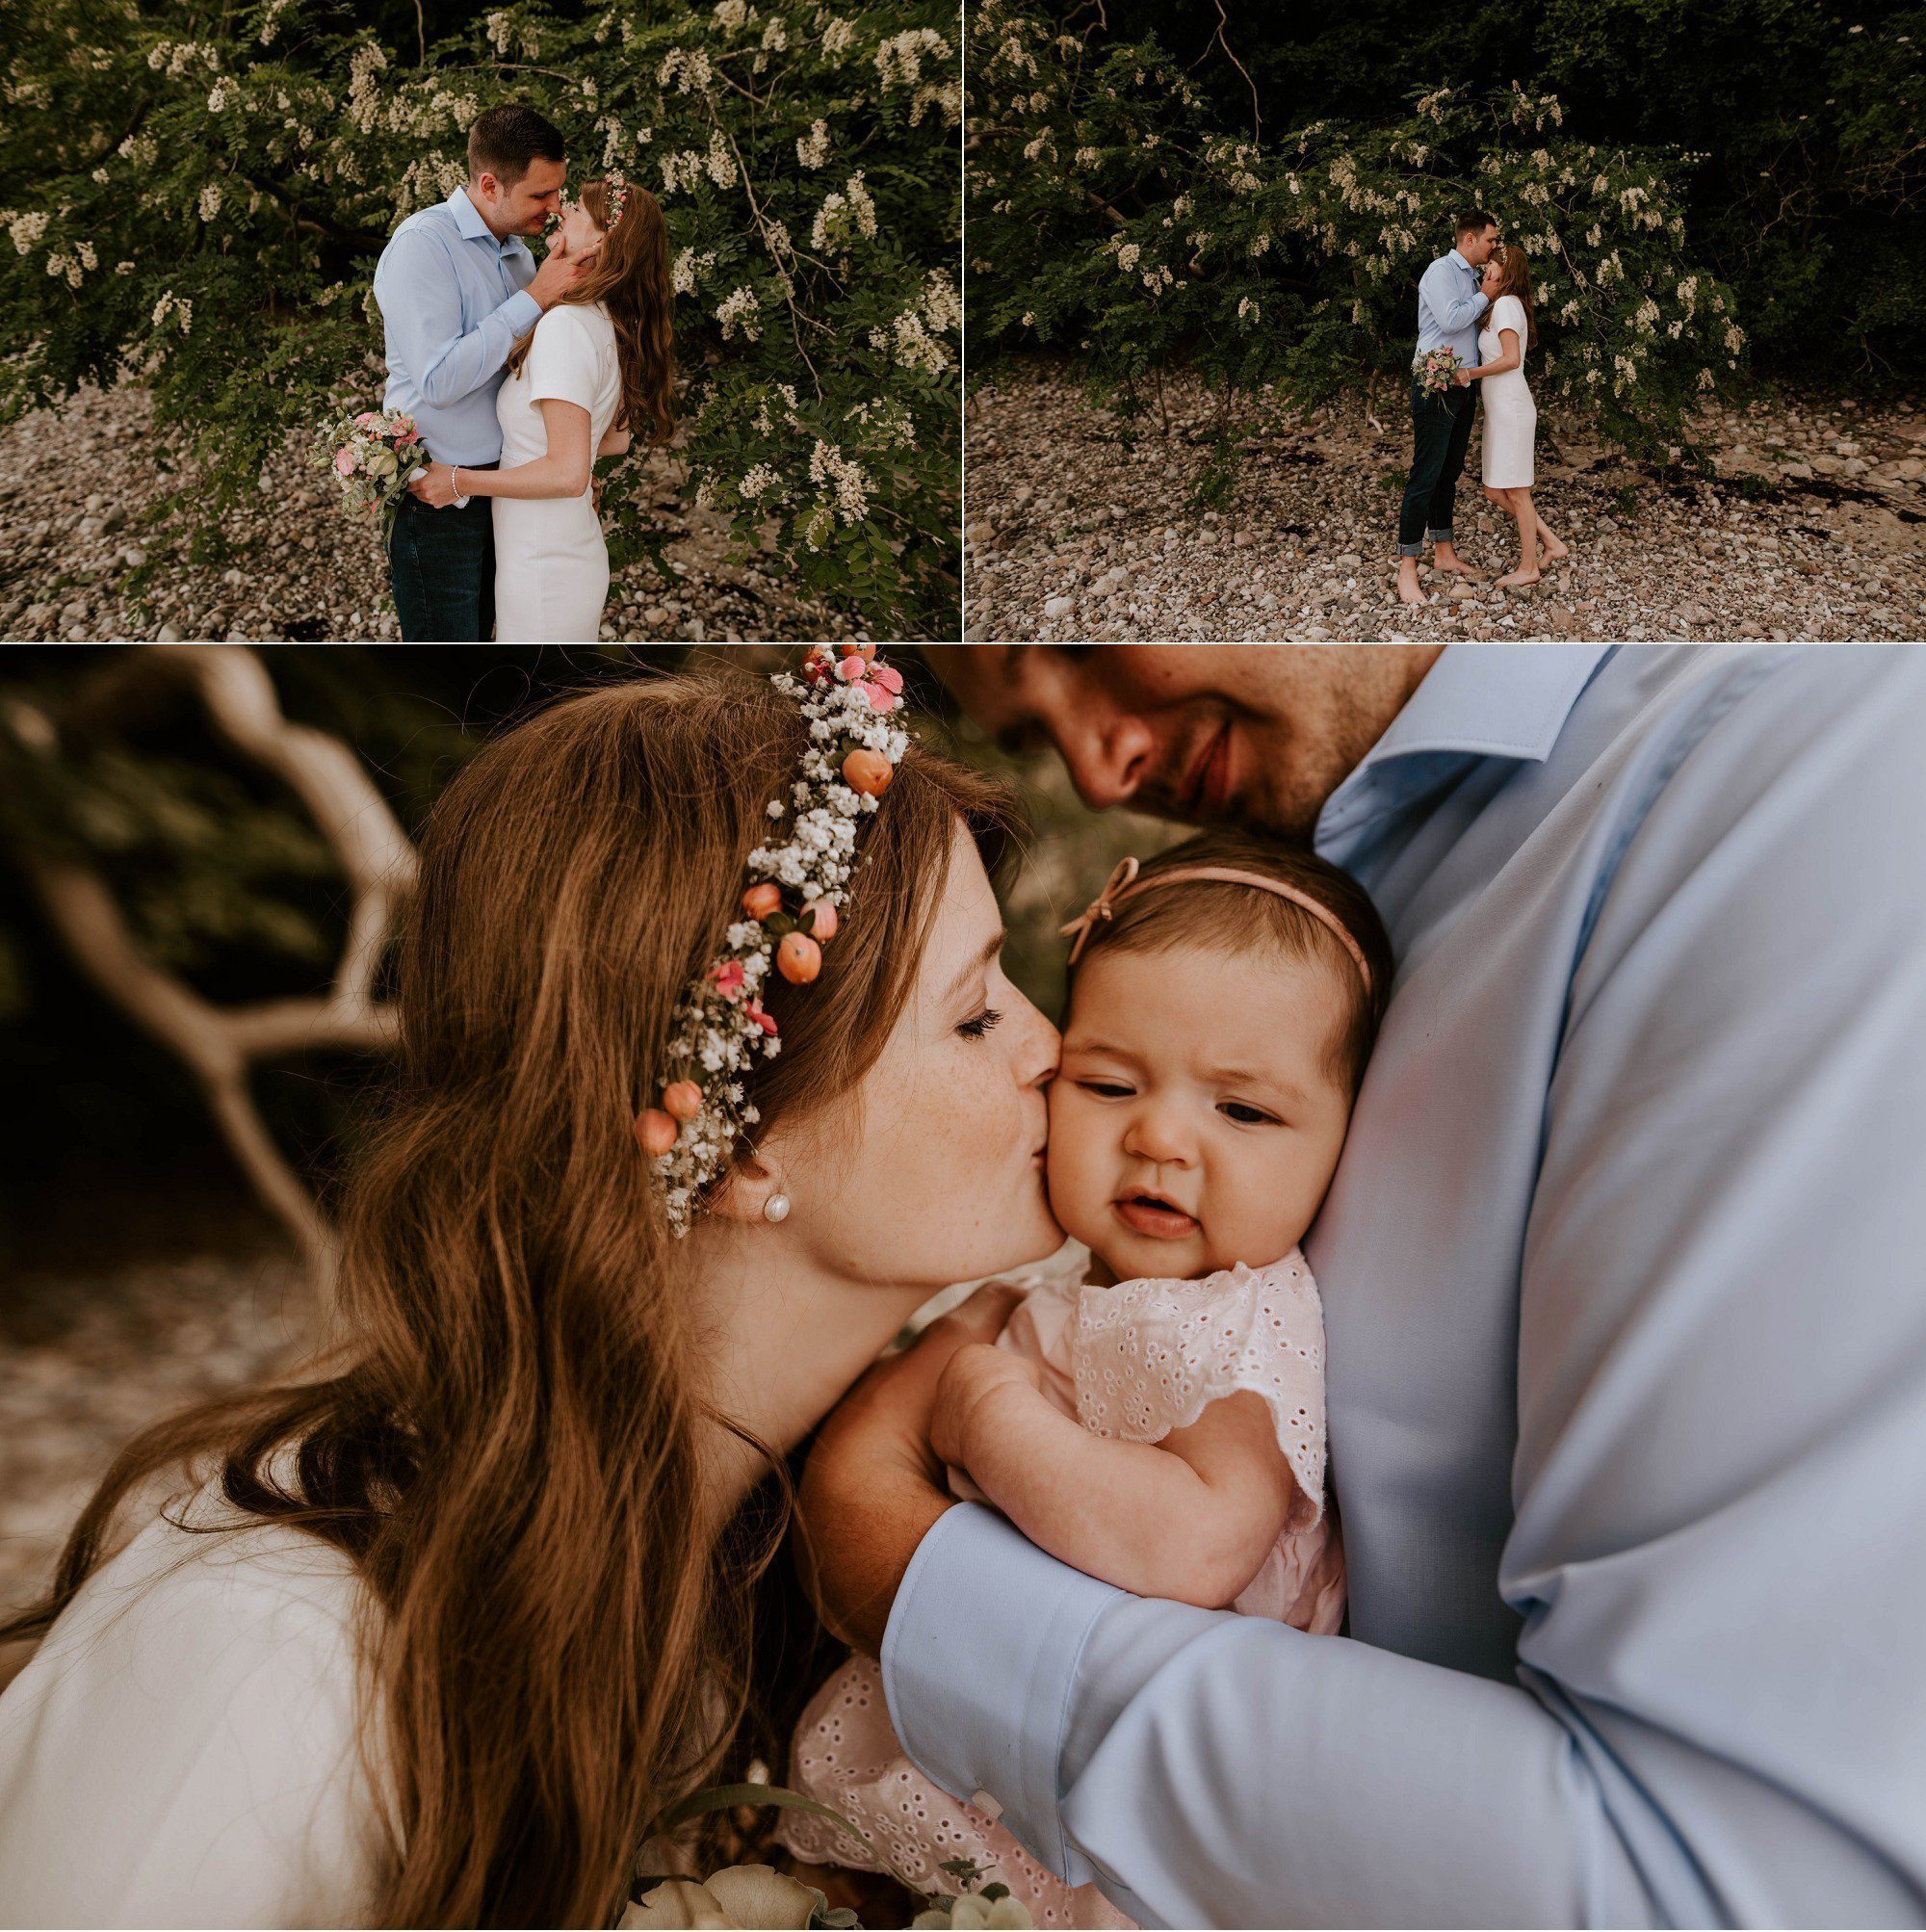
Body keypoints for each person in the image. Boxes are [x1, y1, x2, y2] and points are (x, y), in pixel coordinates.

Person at [799, 642, 1926, 1926]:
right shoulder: (1304, 888)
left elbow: (1741, 1883)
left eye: (1062, 651)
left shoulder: (1804, 778)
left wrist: (923, 1571)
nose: (1105, 767)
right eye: (1032, 729)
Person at [0, 651, 1062, 1925]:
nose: (1052, 1043)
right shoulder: (266, 1668)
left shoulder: (767, 1581)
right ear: (740, 1148)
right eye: (975, 1015)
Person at [781, 833, 1391, 1927]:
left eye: (1241, 1111)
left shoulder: (1242, 1321)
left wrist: (990, 1411)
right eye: (1107, 1083)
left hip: (1101, 1810)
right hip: (978, 1722)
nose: (1158, 1134)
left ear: (1342, 1142)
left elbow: (1194, 1545)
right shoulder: (1062, 1277)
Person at [409, 174, 675, 643]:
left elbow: (567, 474)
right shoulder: (604, 318)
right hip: (556, 546)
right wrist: (576, 457)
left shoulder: (566, 327)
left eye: (576, 210)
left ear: (600, 239)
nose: (562, 211)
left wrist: (457, 481)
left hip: (543, 565)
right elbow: (613, 439)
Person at [372, 105, 595, 643]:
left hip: (508, 487)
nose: (555, 207)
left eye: (558, 192)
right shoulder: (422, 246)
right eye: (541, 195)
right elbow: (440, 382)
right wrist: (536, 298)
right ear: (490, 184)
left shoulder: (520, 256)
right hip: (439, 494)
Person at [1395, 213, 1500, 609]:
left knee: (1450, 471)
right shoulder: (1440, 271)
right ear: (1470, 238)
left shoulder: (1476, 277)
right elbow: (1451, 318)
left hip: (1462, 384)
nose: (1494, 246)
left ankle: (1444, 551)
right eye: (1490, 240)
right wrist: (1486, 296)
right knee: (1425, 472)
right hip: (1434, 384)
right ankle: (1407, 566)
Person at [1462, 248, 1568, 588]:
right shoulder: (1503, 304)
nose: (1485, 268)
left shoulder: (1507, 305)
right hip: (1500, 409)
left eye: (1491, 264)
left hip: (1511, 407)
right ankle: (1551, 542)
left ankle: (1528, 567)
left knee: (1518, 492)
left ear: (1504, 271)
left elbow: (1511, 359)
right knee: (1494, 490)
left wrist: (1469, 373)